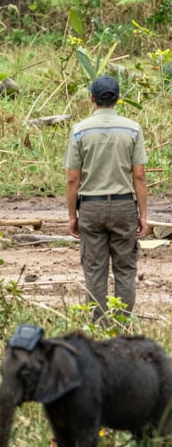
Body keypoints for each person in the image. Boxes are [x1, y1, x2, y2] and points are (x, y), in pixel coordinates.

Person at [65, 75, 148, 321]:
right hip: (124, 207)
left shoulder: (79, 131)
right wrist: (143, 214)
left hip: (91, 207)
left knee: (94, 270)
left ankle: (99, 326)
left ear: (92, 99)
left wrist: (72, 216)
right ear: (118, 99)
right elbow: (140, 176)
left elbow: (72, 178)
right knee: (125, 269)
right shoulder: (132, 129)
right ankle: (122, 325)